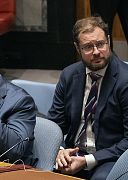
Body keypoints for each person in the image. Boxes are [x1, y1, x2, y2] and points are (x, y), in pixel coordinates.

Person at [48, 16, 128, 179]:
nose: (97, 52)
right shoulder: (69, 75)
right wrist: (61, 151)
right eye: (88, 47)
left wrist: (88, 160)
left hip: (108, 157)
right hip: (73, 151)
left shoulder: (125, 81)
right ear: (77, 48)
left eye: (100, 44)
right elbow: (55, 122)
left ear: (108, 40)